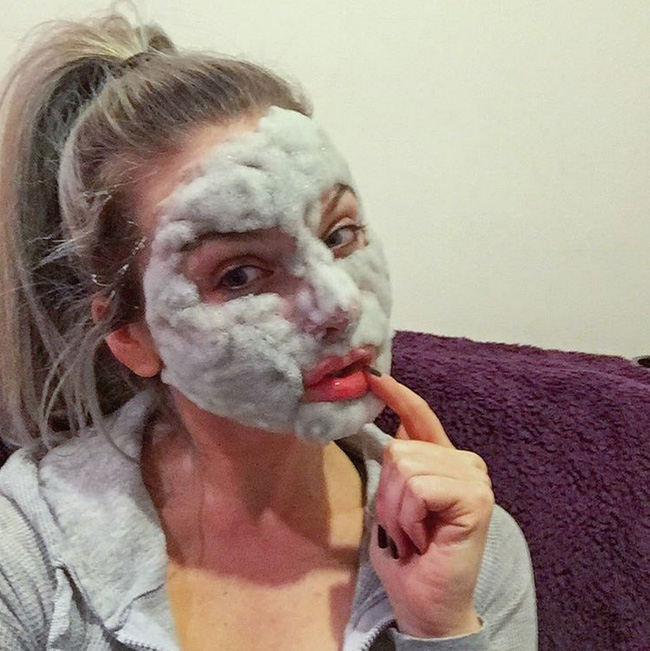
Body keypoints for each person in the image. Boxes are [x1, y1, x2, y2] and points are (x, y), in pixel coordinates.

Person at [0, 9, 537, 650]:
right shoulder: (26, 554)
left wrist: (440, 628)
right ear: (131, 338)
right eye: (239, 275)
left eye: (339, 234)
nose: (340, 304)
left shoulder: (465, 548)